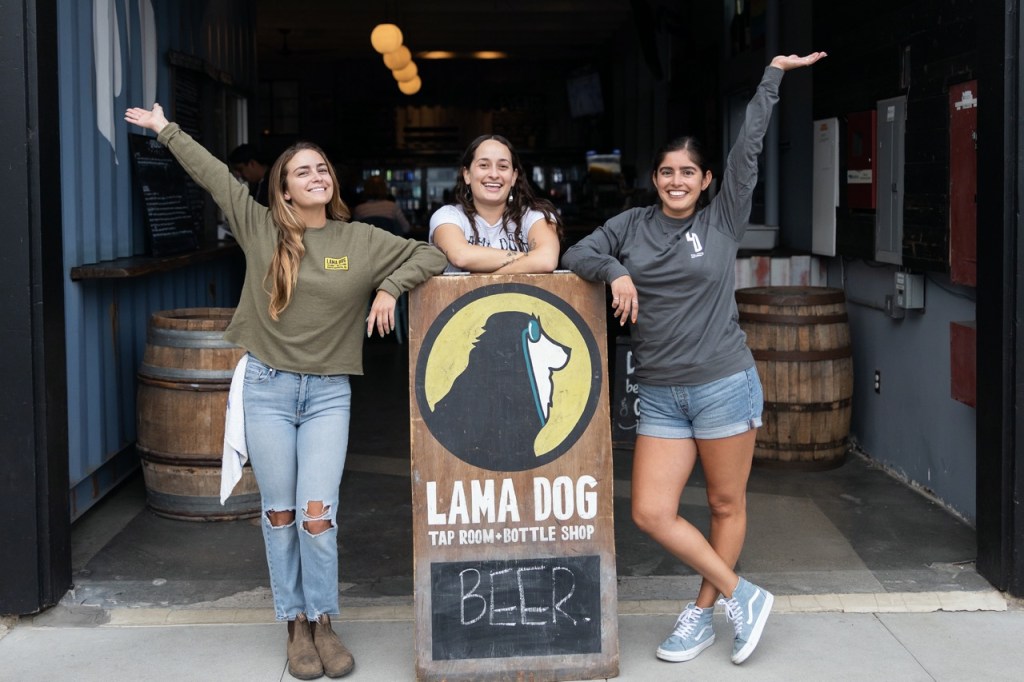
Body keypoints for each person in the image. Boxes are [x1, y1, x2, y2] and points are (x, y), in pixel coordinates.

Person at [125, 103, 447, 680]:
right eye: (303, 171)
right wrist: (164, 128)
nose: (316, 176)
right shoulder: (261, 229)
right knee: (279, 515)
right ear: (284, 189)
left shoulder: (359, 239)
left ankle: (324, 619)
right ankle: (294, 624)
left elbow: (431, 253)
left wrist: (388, 289)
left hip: (328, 395)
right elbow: (214, 176)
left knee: (317, 515)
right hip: (267, 390)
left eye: (322, 168)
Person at [561, 52, 827, 666]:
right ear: (654, 178)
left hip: (722, 384)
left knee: (725, 505)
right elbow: (576, 254)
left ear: (705, 180)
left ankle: (704, 613)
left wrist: (772, 76)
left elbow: (747, 149)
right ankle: (743, 593)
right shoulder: (631, 225)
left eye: (687, 172)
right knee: (651, 511)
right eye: (666, 172)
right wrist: (616, 270)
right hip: (658, 392)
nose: (676, 181)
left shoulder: (723, 219)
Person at [429, 134, 561, 274]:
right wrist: (530, 258)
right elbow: (461, 256)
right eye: (483, 165)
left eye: (503, 166)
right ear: (467, 174)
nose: (494, 174)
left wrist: (490, 280)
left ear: (513, 177)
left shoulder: (534, 216)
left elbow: (546, 259)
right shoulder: (448, 216)